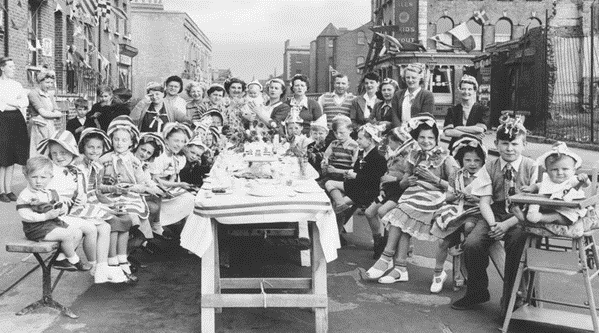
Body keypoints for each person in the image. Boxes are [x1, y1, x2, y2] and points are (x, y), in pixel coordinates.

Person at [451, 116, 536, 314]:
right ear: (496, 144)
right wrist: (493, 224)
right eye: (504, 144)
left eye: (514, 144)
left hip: (520, 217)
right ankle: (477, 291)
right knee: (472, 243)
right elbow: (484, 201)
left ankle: (511, 299)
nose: (509, 149)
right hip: (495, 213)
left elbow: (532, 205)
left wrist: (506, 226)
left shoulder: (531, 167)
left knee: (516, 243)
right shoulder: (490, 166)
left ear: (524, 144)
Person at [366, 113, 459, 283]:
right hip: (412, 196)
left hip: (434, 198)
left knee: (400, 214)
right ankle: (400, 268)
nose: (426, 141)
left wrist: (435, 179)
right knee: (402, 217)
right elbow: (403, 183)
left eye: (430, 137)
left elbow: (457, 187)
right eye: (422, 137)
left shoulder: (446, 158)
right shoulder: (414, 156)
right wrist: (406, 181)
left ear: (436, 138)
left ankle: (387, 259)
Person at [40, 130, 127, 283]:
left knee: (106, 226)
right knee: (101, 227)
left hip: (71, 209)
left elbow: (86, 191)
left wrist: (83, 198)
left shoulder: (74, 169)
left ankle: (102, 266)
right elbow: (50, 194)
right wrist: (75, 199)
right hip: (62, 213)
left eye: (63, 152)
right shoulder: (56, 170)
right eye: (55, 153)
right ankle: (98, 267)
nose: (59, 157)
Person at [76, 127, 140, 282]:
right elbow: (81, 192)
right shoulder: (78, 166)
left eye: (98, 147)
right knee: (113, 221)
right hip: (83, 204)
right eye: (90, 147)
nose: (95, 151)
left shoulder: (97, 166)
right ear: (83, 147)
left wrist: (111, 202)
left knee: (124, 217)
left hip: (95, 201)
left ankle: (121, 259)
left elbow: (98, 191)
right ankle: (111, 262)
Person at [429, 135, 487, 293]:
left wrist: (475, 198)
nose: (472, 164)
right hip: (456, 208)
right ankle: (438, 273)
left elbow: (488, 200)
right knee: (442, 239)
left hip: (475, 210)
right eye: (468, 160)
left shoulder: (485, 176)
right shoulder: (457, 175)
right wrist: (456, 195)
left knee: (469, 226)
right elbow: (448, 197)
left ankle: (460, 249)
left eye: (477, 160)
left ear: (482, 161)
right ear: (461, 160)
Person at [17, 156, 84, 271]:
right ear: (27, 177)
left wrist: (61, 209)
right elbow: (24, 214)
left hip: (52, 224)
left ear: (50, 178)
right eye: (34, 177)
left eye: (43, 177)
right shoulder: (26, 195)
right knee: (67, 235)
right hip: (36, 229)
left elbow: (55, 204)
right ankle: (74, 259)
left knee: (77, 232)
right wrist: (45, 216)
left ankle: (60, 259)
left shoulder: (48, 191)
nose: (38, 181)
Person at [364, 126, 417, 259]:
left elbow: (411, 176)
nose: (389, 144)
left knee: (383, 212)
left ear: (399, 142)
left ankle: (392, 244)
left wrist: (394, 178)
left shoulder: (409, 156)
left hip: (399, 191)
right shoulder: (393, 154)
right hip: (387, 190)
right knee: (369, 212)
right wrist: (383, 185)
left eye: (391, 142)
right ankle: (379, 239)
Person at [325, 124, 387, 214]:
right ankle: (341, 204)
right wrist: (350, 174)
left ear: (370, 141)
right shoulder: (362, 152)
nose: (357, 141)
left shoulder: (378, 157)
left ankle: (341, 208)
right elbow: (357, 169)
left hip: (365, 191)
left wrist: (355, 175)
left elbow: (374, 180)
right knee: (329, 183)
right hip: (355, 185)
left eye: (360, 139)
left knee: (334, 208)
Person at [524, 142, 590, 225]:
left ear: (573, 170)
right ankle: (531, 216)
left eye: (565, 169)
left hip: (568, 210)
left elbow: (585, 184)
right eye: (554, 169)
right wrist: (531, 188)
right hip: (549, 208)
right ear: (547, 171)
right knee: (534, 202)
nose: (560, 173)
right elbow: (539, 186)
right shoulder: (547, 180)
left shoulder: (572, 180)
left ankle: (539, 218)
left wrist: (585, 179)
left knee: (557, 216)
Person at [149, 122, 196, 229]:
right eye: (176, 140)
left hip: (168, 187)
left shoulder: (175, 157)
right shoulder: (160, 156)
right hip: (155, 188)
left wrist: (176, 184)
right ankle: (157, 224)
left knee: (192, 199)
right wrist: (179, 184)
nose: (179, 144)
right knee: (190, 200)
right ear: (166, 140)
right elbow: (155, 179)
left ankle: (186, 232)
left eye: (182, 141)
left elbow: (173, 176)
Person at [0, 57, 30, 202]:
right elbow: (1, 106)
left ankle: (9, 189)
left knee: (11, 156)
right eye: (10, 66)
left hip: (16, 120)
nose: (13, 69)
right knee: (3, 155)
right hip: (2, 120)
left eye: (13, 66)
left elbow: (25, 102)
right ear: (2, 68)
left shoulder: (17, 85)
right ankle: (1, 191)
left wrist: (9, 102)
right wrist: (14, 104)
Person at [134, 132, 171, 240]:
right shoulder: (132, 161)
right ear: (138, 146)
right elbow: (138, 181)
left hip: (139, 189)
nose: (144, 154)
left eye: (148, 153)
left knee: (158, 195)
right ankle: (145, 235)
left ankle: (149, 232)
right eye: (143, 150)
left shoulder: (143, 163)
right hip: (132, 191)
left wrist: (157, 188)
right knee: (154, 206)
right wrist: (152, 189)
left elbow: (148, 180)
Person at [443, 75, 489, 149]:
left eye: (470, 89)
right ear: (459, 90)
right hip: (455, 147)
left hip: (475, 148)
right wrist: (473, 135)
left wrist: (457, 128)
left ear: (475, 91)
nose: (466, 92)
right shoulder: (453, 110)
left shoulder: (482, 109)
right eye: (463, 89)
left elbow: (480, 129)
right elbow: (447, 132)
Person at [28, 69, 63, 158]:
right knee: (38, 151)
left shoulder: (49, 95)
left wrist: (55, 113)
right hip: (38, 125)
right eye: (47, 82)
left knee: (49, 150)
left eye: (51, 83)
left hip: (49, 125)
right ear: (40, 81)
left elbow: (56, 109)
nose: (50, 85)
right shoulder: (33, 94)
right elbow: (42, 112)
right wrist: (57, 115)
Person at [391, 63, 434, 128]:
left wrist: (410, 130)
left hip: (417, 132)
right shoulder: (398, 94)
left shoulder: (427, 95)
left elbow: (425, 118)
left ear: (420, 78)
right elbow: (394, 115)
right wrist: (399, 130)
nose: (410, 80)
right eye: (408, 77)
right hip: (399, 130)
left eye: (413, 77)